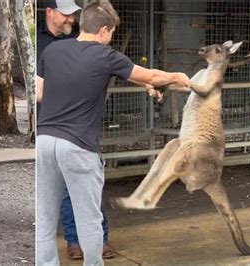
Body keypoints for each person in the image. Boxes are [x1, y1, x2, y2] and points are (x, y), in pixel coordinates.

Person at [36, 1, 190, 265]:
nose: (111, 39)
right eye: (112, 34)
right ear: (104, 31)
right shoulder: (105, 55)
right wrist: (177, 77)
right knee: (89, 219)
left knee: (44, 218)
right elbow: (150, 75)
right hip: (79, 145)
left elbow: (39, 92)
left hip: (44, 141)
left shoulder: (53, 51)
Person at [37, 0, 114, 260]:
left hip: (67, 131)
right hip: (61, 130)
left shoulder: (73, 45)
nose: (71, 19)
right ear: (50, 13)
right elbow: (37, 90)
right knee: (70, 197)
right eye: (67, 15)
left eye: (74, 16)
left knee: (83, 195)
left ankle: (95, 240)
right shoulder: (42, 46)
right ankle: (75, 240)